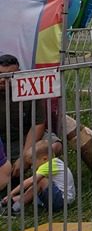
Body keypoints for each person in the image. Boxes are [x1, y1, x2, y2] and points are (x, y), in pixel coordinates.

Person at [0, 53, 62, 183]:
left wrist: (24, 157)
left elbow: (38, 124)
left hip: (26, 136)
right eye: (0, 74)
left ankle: (40, 180)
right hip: (2, 141)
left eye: (9, 75)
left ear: (18, 73)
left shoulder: (29, 88)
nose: (3, 80)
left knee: (55, 146)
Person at [1, 145, 76, 214]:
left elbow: (30, 181)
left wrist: (12, 193)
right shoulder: (56, 163)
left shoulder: (49, 165)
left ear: (44, 159)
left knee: (41, 182)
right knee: (34, 188)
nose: (32, 167)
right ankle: (7, 202)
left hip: (62, 201)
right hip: (62, 199)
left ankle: (15, 208)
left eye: (33, 163)